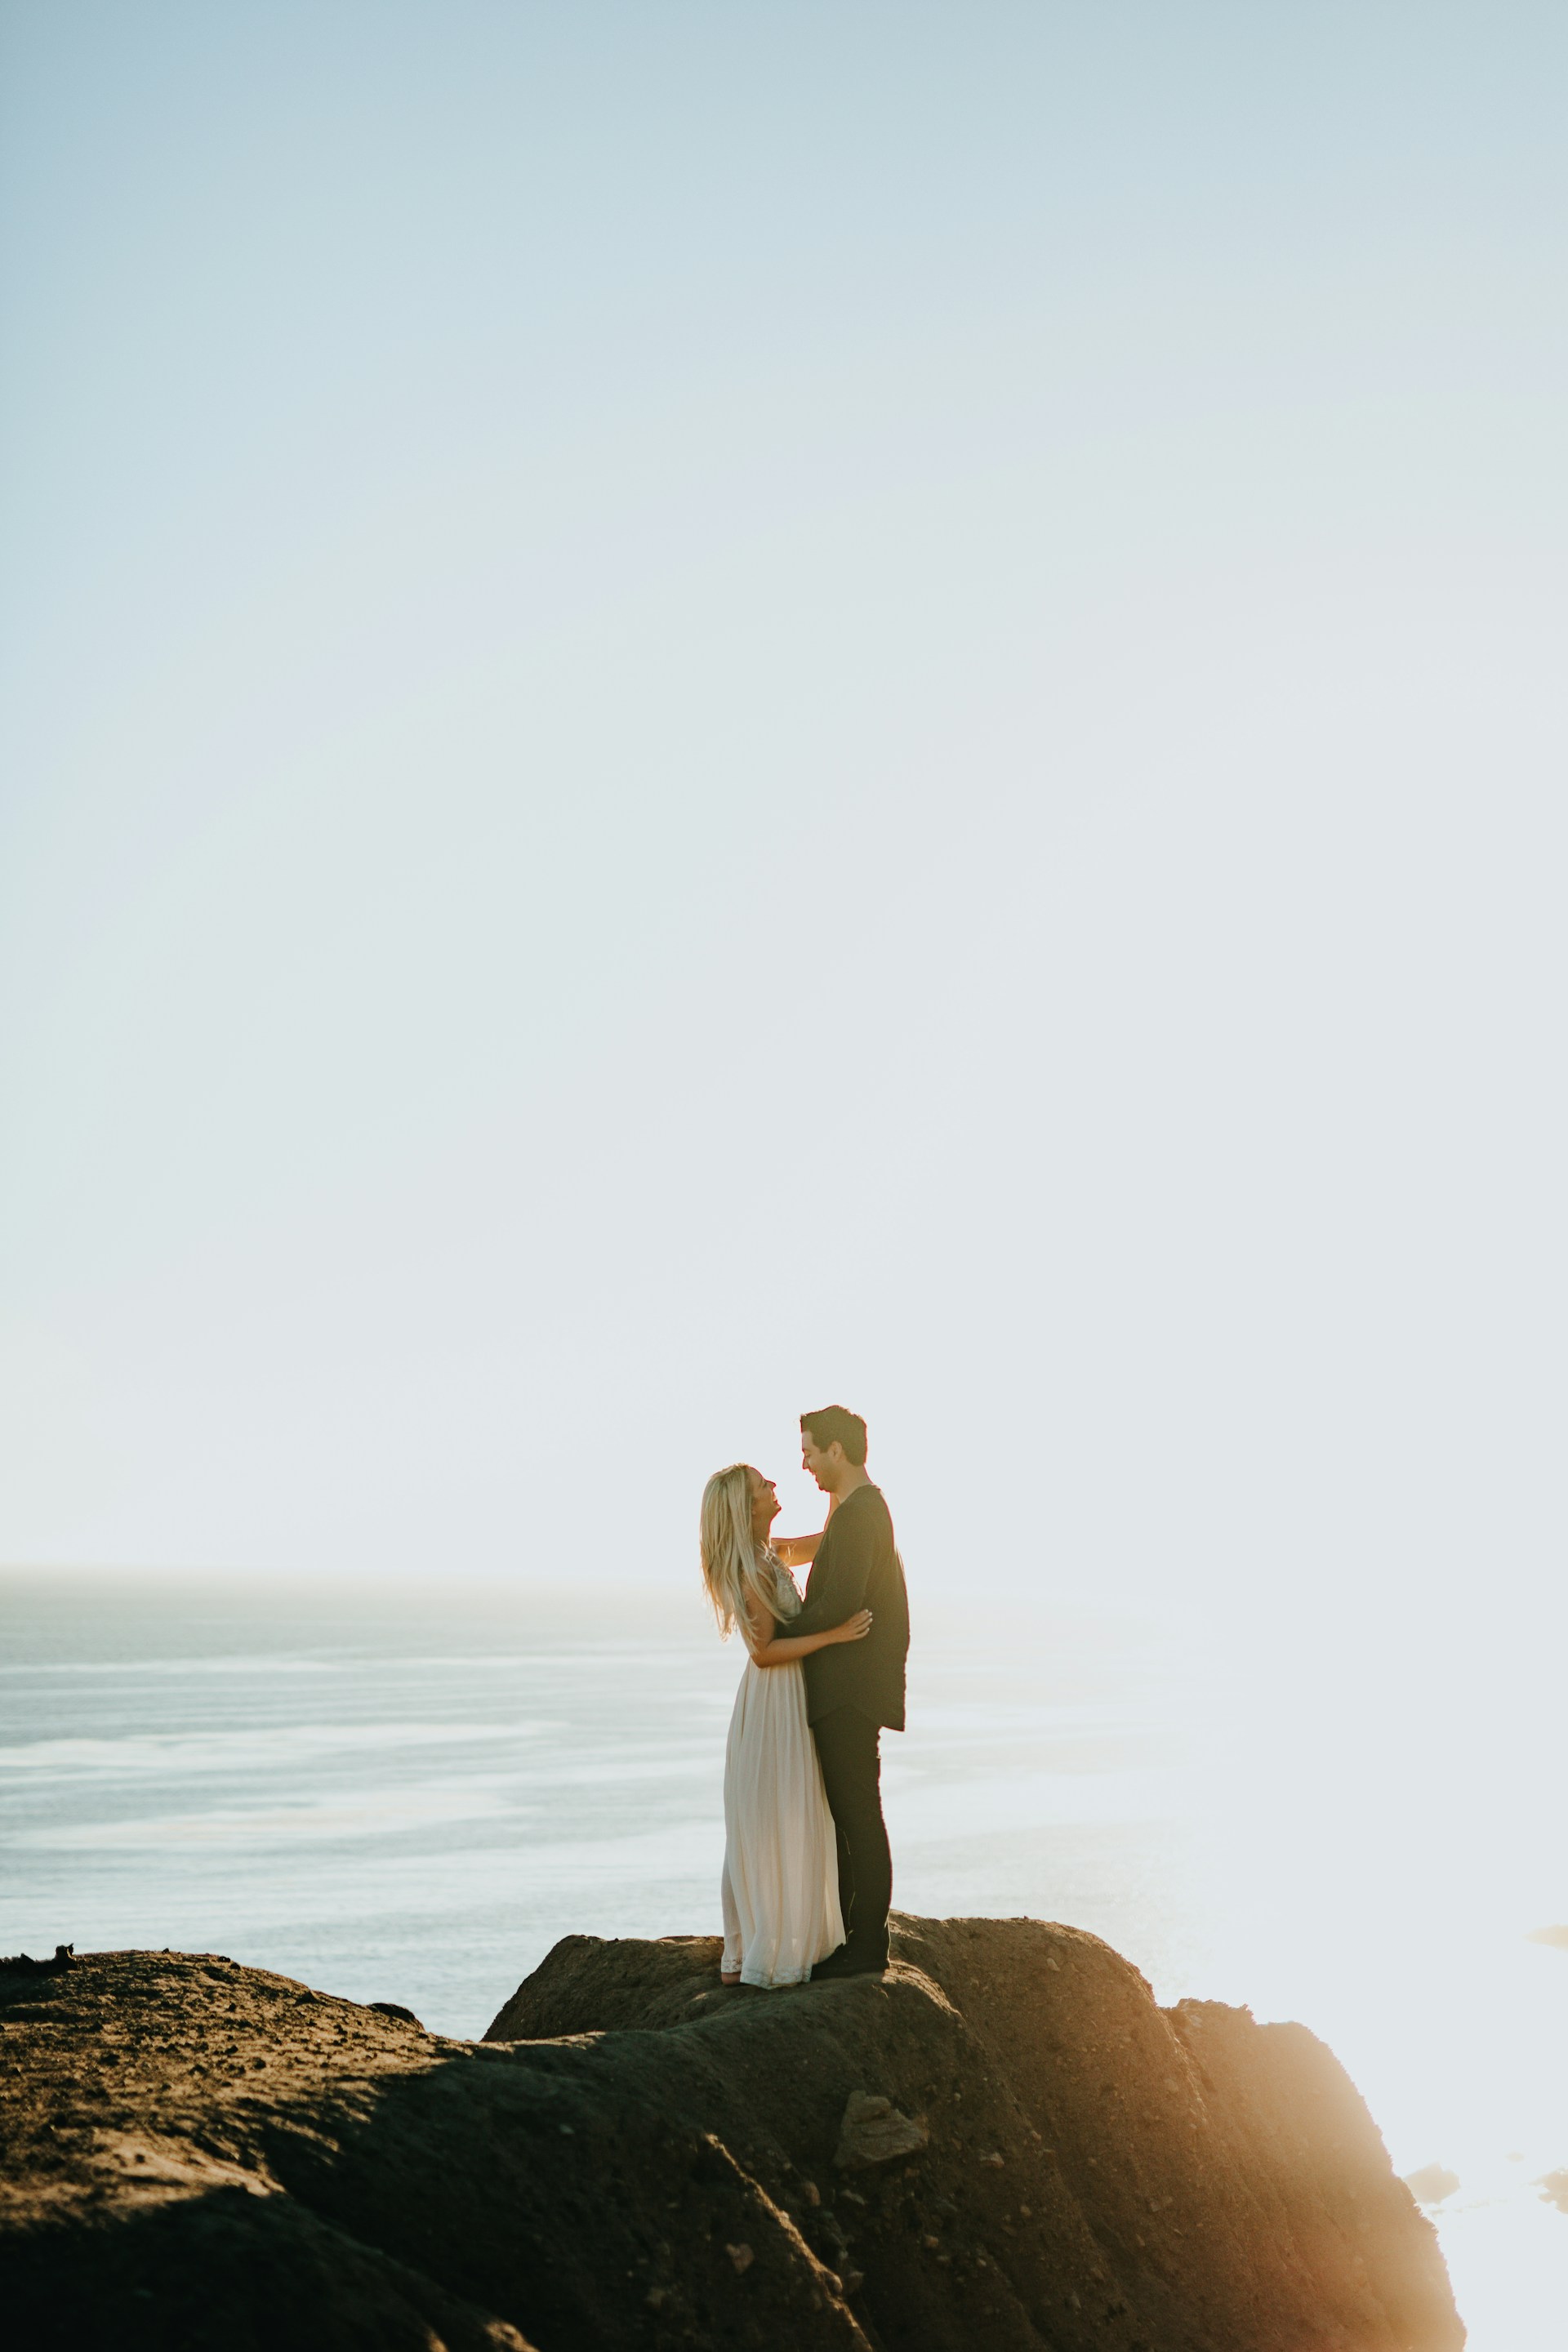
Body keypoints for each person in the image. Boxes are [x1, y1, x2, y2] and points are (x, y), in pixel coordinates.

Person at [699, 1462, 873, 1988]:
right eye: (762, 1486)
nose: (774, 1486)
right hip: (777, 1696)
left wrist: (841, 1485)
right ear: (746, 1506)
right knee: (778, 1813)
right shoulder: (751, 1568)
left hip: (786, 1696)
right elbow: (765, 1653)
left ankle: (756, 1942)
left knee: (777, 1812)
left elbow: (823, 1542)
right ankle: (762, 1949)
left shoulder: (768, 1554)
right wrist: (836, 1635)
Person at [774, 1405, 910, 1980]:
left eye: (808, 1451)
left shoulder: (861, 1514)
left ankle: (867, 1947)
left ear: (836, 1450)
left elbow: (839, 1602)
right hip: (849, 1687)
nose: (803, 1463)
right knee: (850, 1816)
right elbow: (815, 1553)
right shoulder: (854, 1510)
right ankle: (855, 1938)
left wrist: (775, 1634)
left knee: (857, 1816)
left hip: (850, 1691)